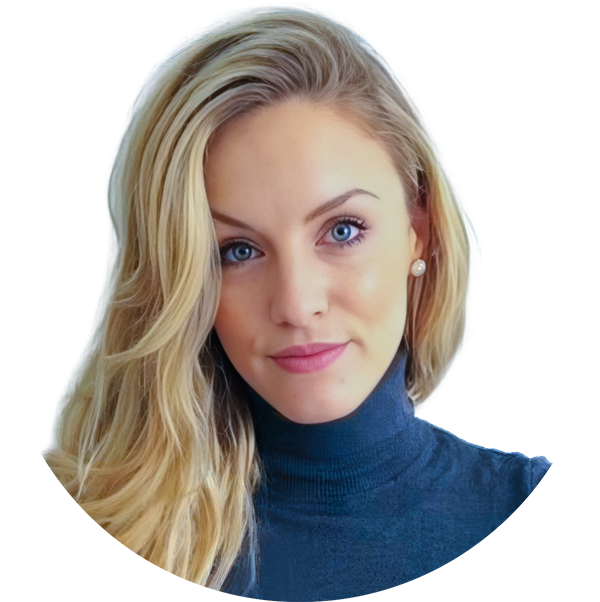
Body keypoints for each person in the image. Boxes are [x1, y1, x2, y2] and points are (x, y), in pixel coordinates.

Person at [40, 3, 551, 601]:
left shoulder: (540, 518)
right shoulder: (71, 530)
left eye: (342, 231)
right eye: (237, 251)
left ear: (420, 229)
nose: (296, 304)